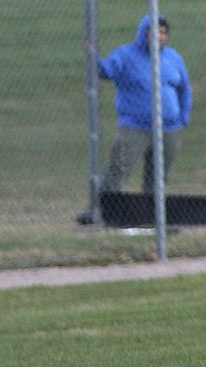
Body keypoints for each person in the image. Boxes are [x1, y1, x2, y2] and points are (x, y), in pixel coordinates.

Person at [78, 15, 192, 225]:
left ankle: (151, 215)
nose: (160, 37)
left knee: (159, 176)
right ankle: (99, 212)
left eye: (163, 33)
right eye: (154, 32)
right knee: (119, 168)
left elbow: (184, 88)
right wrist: (92, 55)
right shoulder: (126, 55)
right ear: (144, 34)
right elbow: (106, 71)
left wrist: (184, 116)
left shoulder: (173, 58)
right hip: (135, 128)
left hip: (169, 129)